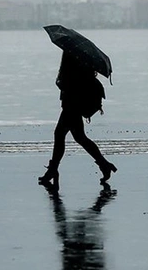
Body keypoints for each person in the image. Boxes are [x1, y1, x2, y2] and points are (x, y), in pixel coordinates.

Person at [39, 53, 117, 186]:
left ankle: (53, 170)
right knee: (79, 138)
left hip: (72, 104)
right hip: (72, 103)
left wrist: (62, 82)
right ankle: (104, 165)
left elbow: (71, 82)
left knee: (60, 134)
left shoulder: (72, 58)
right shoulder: (80, 58)